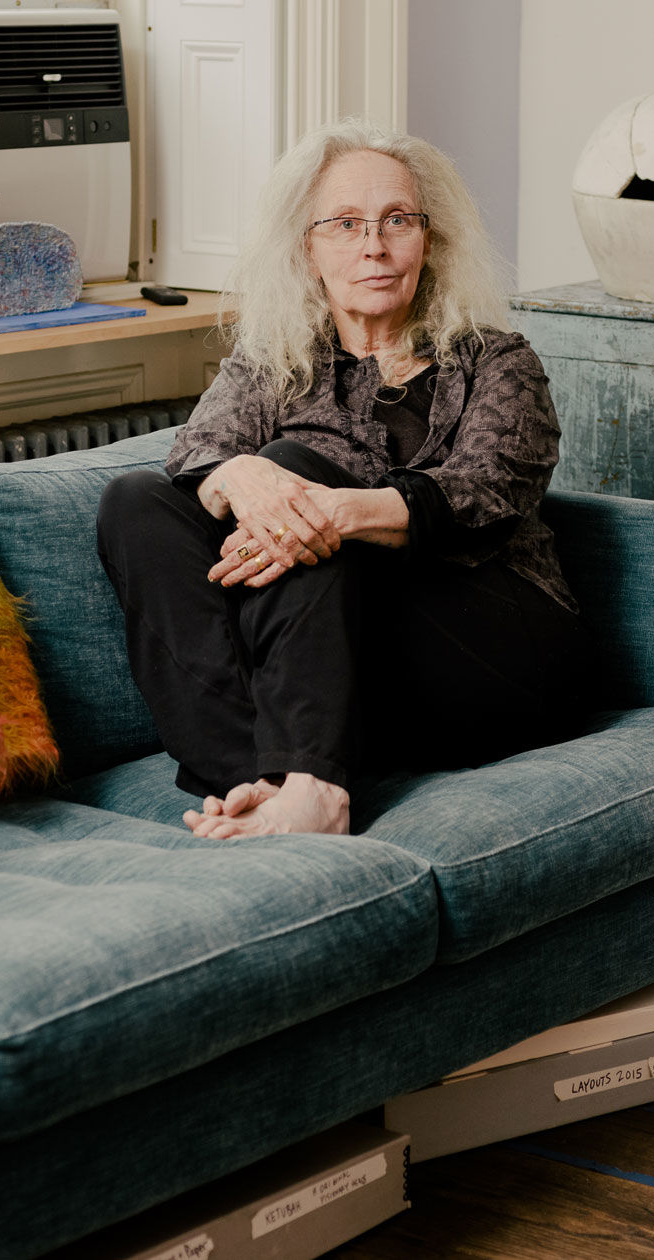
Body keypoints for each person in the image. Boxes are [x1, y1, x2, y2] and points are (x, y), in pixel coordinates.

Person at [96, 119, 590, 839]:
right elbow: (198, 453)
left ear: (432, 240)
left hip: (491, 656)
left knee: (289, 469)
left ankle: (317, 788)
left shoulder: (496, 361)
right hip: (346, 687)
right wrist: (242, 477)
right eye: (345, 224)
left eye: (398, 220)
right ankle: (259, 782)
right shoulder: (273, 362)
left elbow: (487, 493)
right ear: (308, 248)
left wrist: (325, 510)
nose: (374, 245)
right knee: (135, 501)